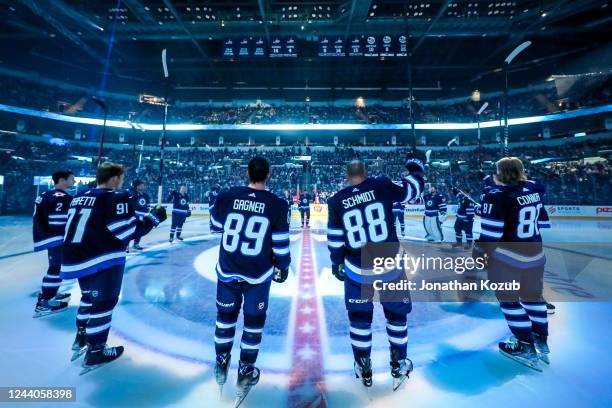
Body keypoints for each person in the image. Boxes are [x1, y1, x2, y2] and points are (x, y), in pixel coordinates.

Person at [326, 151, 424, 390]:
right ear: (366, 173)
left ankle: (363, 364)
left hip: (358, 269)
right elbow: (413, 191)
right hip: (389, 265)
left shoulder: (337, 200)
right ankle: (398, 362)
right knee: (396, 316)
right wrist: (415, 167)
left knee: (359, 319)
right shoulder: (381, 185)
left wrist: (336, 262)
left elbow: (336, 240)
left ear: (347, 177)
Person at [60, 162, 166, 373]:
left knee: (88, 298)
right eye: (121, 177)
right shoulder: (116, 198)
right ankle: (96, 350)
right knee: (104, 303)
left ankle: (81, 336)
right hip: (102, 258)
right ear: (115, 178)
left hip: (77, 256)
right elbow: (128, 232)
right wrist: (155, 218)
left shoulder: (79, 197)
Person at [210, 157, 291, 405]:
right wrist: (283, 266)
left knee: (224, 319)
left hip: (228, 269)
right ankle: (246, 371)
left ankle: (221, 361)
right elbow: (280, 244)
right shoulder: (277, 204)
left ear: (247, 173)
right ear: (269, 174)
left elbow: (215, 225)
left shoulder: (228, 196)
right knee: (253, 323)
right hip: (258, 274)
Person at [473, 157, 551, 370]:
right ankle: (540, 338)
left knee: (509, 300)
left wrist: (478, 254)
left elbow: (491, 234)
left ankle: (524, 344)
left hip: (508, 258)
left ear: (499, 173)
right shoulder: (535, 189)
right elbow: (543, 222)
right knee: (533, 298)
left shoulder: (495, 196)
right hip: (535, 254)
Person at [32, 170, 75, 317]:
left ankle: (49, 294)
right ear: (62, 180)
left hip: (47, 236)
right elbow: (59, 221)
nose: (74, 182)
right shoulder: (63, 198)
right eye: (72, 179)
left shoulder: (45, 194)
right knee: (55, 269)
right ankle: (44, 302)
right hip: (57, 238)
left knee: (55, 268)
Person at [127, 179, 150, 251]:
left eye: (143, 185)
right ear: (136, 186)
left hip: (142, 216)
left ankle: (136, 244)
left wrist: (147, 213)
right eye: (141, 185)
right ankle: (126, 245)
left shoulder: (146, 195)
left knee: (139, 231)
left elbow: (147, 206)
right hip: (133, 215)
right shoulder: (133, 193)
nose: (143, 186)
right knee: (130, 230)